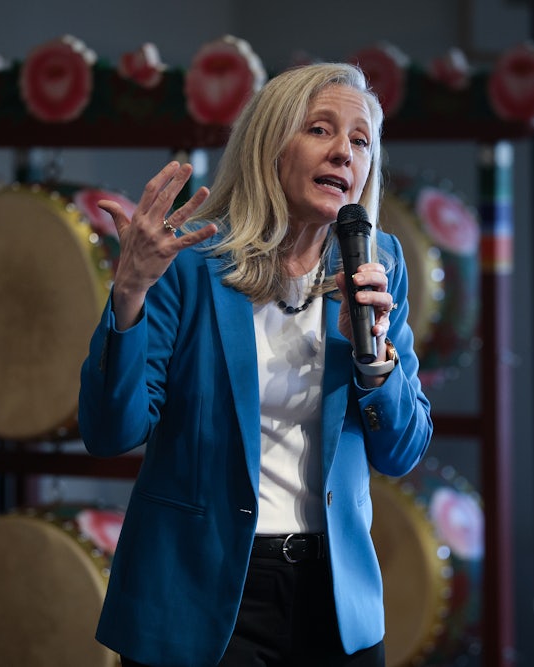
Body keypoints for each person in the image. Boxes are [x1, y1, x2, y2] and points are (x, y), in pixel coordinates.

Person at [78, 62, 433, 667]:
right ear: (270, 145)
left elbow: (401, 451)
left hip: (332, 593)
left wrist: (376, 363)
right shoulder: (188, 261)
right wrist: (131, 292)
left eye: (360, 140)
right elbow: (112, 431)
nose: (344, 153)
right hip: (200, 588)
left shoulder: (377, 262)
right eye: (321, 129)